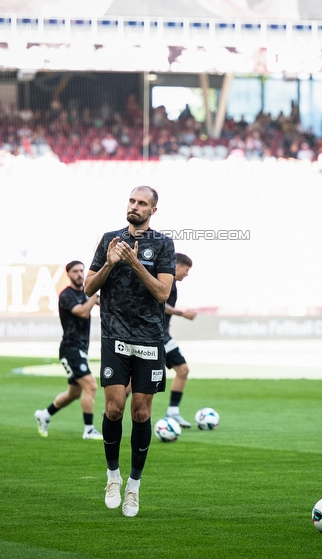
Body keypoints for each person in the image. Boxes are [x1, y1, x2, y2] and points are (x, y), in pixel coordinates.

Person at [84, 186, 175, 518]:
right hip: (115, 333)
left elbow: (163, 292)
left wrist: (135, 262)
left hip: (149, 337)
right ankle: (112, 477)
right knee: (113, 408)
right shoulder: (110, 238)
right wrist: (109, 264)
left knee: (140, 412)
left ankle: (133, 487)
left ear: (153, 211)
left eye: (142, 203)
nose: (134, 207)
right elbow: (89, 287)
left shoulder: (164, 244)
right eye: (132, 201)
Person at [34, 260, 103, 440]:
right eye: (75, 271)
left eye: (82, 271)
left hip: (81, 349)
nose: (80, 274)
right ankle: (89, 430)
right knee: (91, 385)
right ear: (69, 274)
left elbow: (105, 305)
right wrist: (94, 296)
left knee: (74, 393)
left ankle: (45, 414)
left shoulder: (87, 294)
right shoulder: (66, 295)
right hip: (70, 348)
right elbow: (81, 312)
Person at [162, 253, 197, 429]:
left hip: (162, 335)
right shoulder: (165, 281)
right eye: (186, 269)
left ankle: (173, 412)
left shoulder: (172, 284)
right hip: (155, 337)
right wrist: (183, 313)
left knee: (182, 370)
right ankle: (115, 407)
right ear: (176, 266)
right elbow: (159, 304)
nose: (187, 274)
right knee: (139, 378)